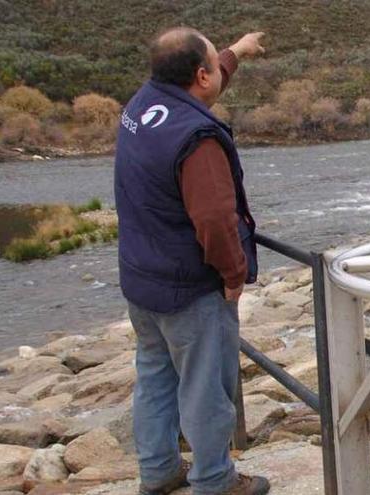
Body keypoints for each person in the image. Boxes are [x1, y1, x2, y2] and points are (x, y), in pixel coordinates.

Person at [114, 27, 269, 495]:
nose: (217, 69)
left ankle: (158, 472)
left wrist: (235, 53)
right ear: (200, 76)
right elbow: (215, 221)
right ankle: (215, 480)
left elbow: (203, 82)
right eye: (212, 61)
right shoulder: (197, 139)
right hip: (190, 287)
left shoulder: (144, 105)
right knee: (205, 388)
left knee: (156, 378)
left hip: (143, 281)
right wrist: (233, 274)